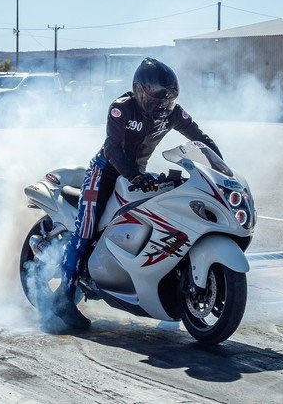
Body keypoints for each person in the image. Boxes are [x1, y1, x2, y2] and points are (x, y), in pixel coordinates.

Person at [52, 58, 222, 330]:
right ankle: (62, 297)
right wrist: (133, 175)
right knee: (86, 229)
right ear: (140, 91)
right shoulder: (121, 108)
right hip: (106, 171)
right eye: (157, 100)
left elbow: (200, 139)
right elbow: (112, 149)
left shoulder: (173, 112)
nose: (162, 107)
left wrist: (219, 167)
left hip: (137, 173)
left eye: (168, 101)